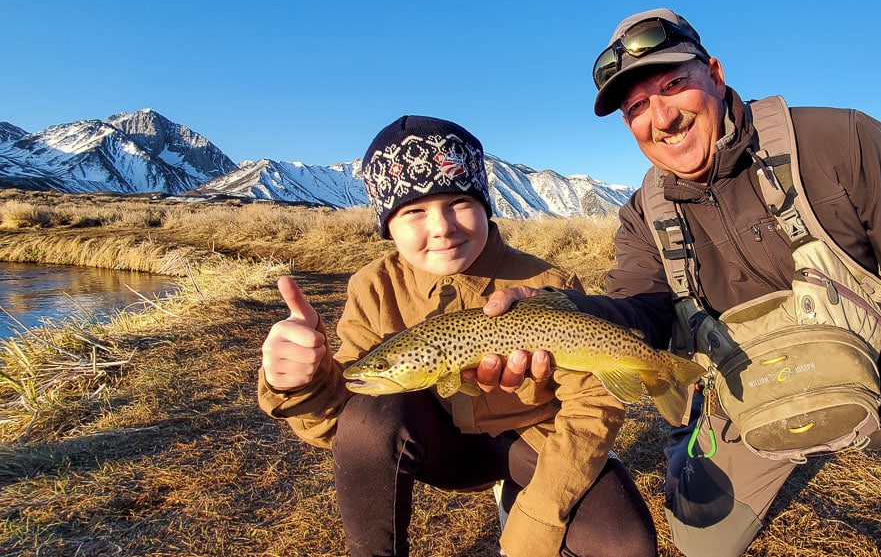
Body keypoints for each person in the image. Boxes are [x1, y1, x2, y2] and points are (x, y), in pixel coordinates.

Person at [474, 8, 881, 557]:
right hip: (743, 389)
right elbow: (645, 309)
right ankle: (708, 442)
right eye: (635, 108)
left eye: (672, 84)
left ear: (714, 72)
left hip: (875, 368)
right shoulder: (642, 214)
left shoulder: (839, 140)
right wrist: (561, 313)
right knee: (702, 541)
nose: (660, 118)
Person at [257, 115, 656, 557]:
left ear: (486, 204)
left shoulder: (548, 281)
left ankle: (518, 495)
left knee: (627, 545)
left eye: (459, 202)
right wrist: (300, 383)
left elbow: (593, 403)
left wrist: (535, 524)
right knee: (369, 418)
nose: (442, 226)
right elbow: (342, 423)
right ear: (387, 225)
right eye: (413, 211)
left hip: (539, 441)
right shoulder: (372, 288)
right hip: (439, 448)